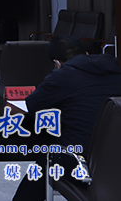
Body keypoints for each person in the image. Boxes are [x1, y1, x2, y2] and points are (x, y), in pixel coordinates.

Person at [13, 35, 121, 201]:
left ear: (57, 62)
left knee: (46, 162)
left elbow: (31, 106)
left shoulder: (62, 75)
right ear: (86, 54)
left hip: (83, 162)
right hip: (115, 159)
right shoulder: (115, 70)